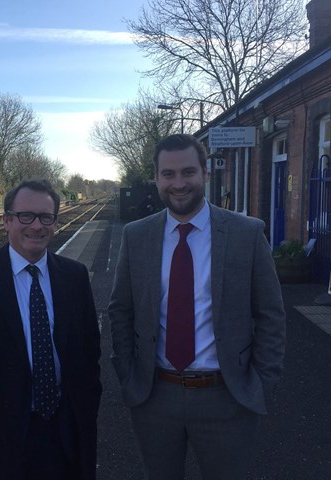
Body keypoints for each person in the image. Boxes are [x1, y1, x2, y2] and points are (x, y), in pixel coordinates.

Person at [109, 134, 286, 480]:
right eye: (168, 174)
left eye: (188, 172)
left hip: (226, 396)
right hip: (154, 395)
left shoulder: (246, 234)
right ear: (157, 178)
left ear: (206, 173)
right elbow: (120, 309)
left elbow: (270, 314)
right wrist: (128, 376)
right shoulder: (137, 236)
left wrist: (261, 382)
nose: (178, 184)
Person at [0, 179, 102, 480]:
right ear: (6, 221)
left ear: (55, 222)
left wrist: (86, 413)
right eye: (25, 216)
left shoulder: (74, 276)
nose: (36, 226)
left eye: (46, 217)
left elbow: (89, 352)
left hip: (63, 432)